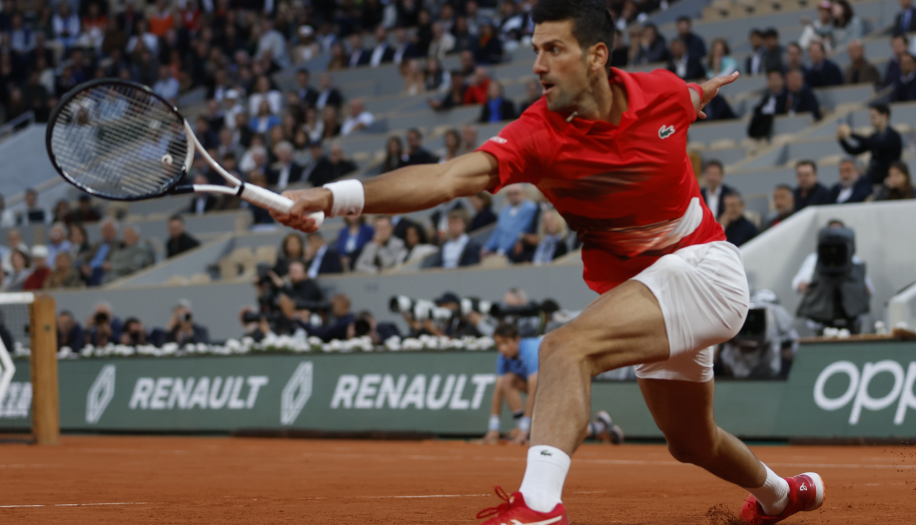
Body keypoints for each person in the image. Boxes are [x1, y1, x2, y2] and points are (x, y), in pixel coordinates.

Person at [270, 4, 824, 524]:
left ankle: (538, 507)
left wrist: (701, 91)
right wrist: (331, 197)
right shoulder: (538, 134)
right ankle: (782, 495)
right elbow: (445, 178)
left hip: (706, 270)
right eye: (536, 50)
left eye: (554, 49)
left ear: (597, 56)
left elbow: (685, 96)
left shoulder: (660, 91)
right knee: (691, 442)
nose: (538, 65)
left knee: (564, 348)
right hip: (650, 291)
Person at [481, 323, 624, 446]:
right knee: (507, 381)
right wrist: (494, 427)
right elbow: (498, 390)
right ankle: (523, 427)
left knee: (560, 432)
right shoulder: (503, 358)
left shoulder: (531, 351)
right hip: (547, 387)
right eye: (498, 344)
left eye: (506, 343)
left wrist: (525, 428)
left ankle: (599, 427)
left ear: (517, 339)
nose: (502, 348)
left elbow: (534, 391)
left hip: (565, 383)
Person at [837, 103, 902, 185]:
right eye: (870, 117)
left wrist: (850, 134)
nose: (871, 120)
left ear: (884, 116)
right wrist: (841, 140)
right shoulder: (874, 136)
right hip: (873, 177)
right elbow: (854, 151)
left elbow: (877, 144)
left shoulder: (893, 136)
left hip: (889, 178)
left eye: (874, 116)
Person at [482, 184, 538, 259]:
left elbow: (519, 231)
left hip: (515, 252)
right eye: (510, 194)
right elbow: (498, 231)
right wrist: (486, 248)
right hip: (500, 251)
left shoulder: (530, 208)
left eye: (516, 193)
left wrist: (502, 251)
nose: (513, 196)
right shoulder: (505, 210)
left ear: (524, 193)